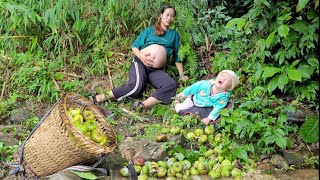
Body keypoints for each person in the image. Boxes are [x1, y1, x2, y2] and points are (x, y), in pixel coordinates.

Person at [90, 4, 188, 109]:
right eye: (167, 15)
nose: (169, 18)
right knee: (136, 88)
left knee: (171, 85)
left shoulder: (174, 35)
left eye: (172, 16)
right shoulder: (149, 30)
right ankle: (98, 98)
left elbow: (177, 58)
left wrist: (182, 75)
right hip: (140, 63)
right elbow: (135, 47)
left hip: (155, 70)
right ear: (161, 15)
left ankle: (142, 105)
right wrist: (142, 57)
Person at [174, 70, 239, 126]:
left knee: (203, 115)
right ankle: (176, 103)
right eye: (222, 75)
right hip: (194, 100)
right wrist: (183, 94)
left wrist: (209, 118)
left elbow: (218, 108)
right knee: (180, 109)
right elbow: (193, 88)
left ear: (229, 88)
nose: (223, 79)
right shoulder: (204, 84)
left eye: (227, 79)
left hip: (205, 105)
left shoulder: (223, 97)